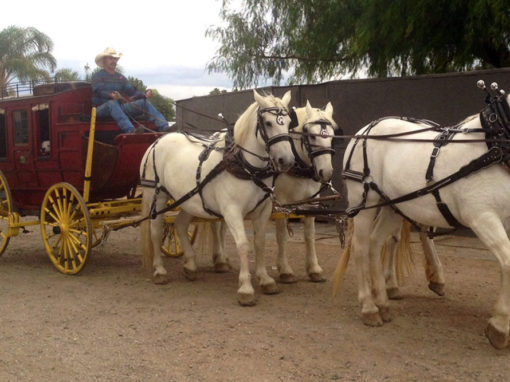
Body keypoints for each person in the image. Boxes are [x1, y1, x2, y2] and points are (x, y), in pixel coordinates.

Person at [91, 47, 169, 133]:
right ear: (104, 60)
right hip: (100, 109)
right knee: (112, 103)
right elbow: (99, 90)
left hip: (119, 108)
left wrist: (144, 94)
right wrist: (111, 95)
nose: (114, 61)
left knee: (144, 102)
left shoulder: (121, 78)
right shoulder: (97, 76)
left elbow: (131, 91)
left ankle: (165, 128)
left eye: (115, 59)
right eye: (111, 58)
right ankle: (131, 131)